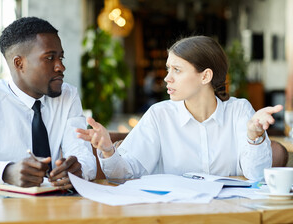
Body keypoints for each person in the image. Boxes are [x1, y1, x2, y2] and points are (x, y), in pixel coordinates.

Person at [77, 36, 283, 181]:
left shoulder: (239, 110)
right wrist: (107, 150)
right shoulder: (159, 115)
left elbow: (256, 175)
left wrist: (254, 136)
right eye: (168, 69)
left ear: (205, 76)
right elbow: (123, 174)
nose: (167, 78)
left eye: (177, 70)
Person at [0, 17, 96, 189]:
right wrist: (5, 172)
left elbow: (83, 155)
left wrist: (78, 169)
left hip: (54, 205)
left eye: (61, 57)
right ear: (19, 63)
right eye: (50, 58)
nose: (60, 67)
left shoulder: (68, 95)